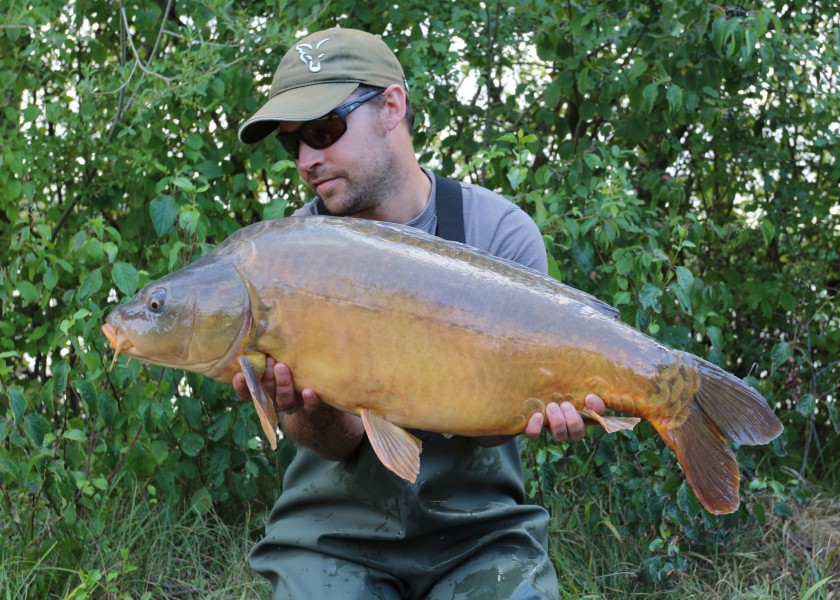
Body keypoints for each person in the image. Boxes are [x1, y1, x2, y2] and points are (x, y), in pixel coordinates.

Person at [234, 26, 606, 600]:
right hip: (331, 537)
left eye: (323, 130)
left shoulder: (497, 232)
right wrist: (301, 405)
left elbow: (490, 438)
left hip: (478, 532)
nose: (307, 159)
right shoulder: (285, 263)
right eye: (293, 145)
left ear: (391, 106)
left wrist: (543, 399)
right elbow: (332, 444)